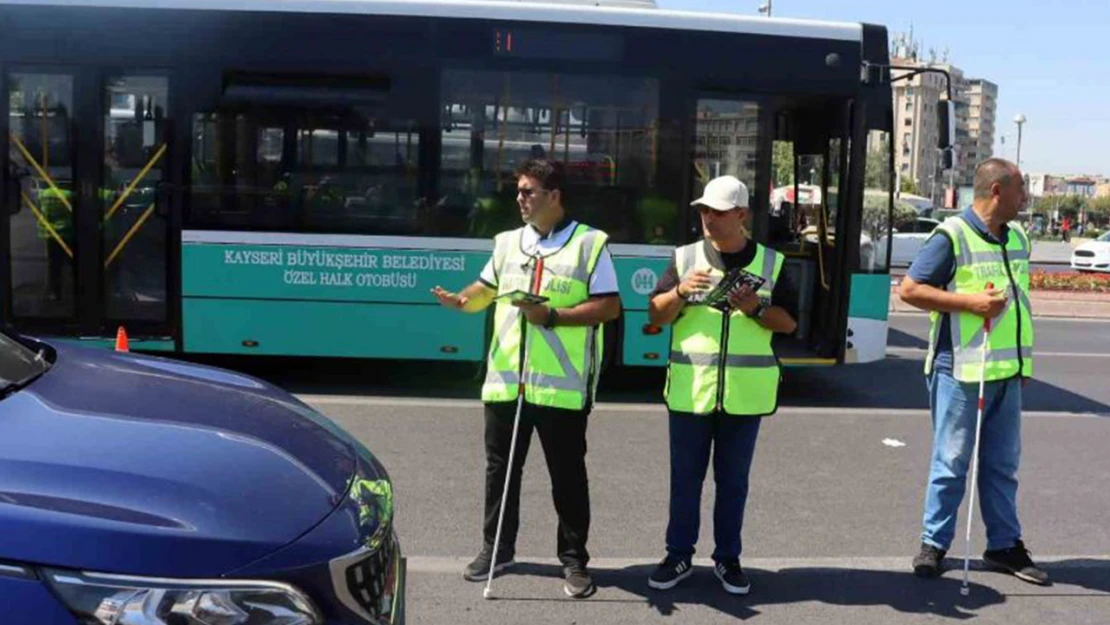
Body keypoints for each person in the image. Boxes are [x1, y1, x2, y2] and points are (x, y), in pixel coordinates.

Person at [431, 158, 621, 599]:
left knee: (567, 476)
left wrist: (551, 316)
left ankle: (574, 561)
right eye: (518, 190)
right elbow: (484, 290)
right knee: (501, 471)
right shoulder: (506, 243)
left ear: (554, 197)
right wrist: (461, 301)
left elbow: (609, 307)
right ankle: (496, 549)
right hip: (505, 381)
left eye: (528, 191)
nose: (519, 198)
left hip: (561, 386)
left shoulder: (589, 243)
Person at [645, 175, 797, 595]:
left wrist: (754, 308)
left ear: (742, 215)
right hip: (690, 391)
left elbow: (789, 323)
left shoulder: (771, 262)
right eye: (703, 210)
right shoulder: (686, 257)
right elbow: (655, 315)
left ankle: (728, 559)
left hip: (745, 396)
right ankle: (678, 555)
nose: (708, 218)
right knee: (685, 480)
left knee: (733, 483)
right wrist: (678, 291)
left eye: (718, 211)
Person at [899, 158, 1047, 585]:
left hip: (1006, 372)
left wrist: (1020, 364)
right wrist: (970, 304)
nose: (1025, 198)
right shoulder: (952, 235)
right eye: (1020, 189)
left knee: (1002, 465)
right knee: (951, 461)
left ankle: (1004, 545)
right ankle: (934, 544)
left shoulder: (1017, 236)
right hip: (959, 368)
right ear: (997, 191)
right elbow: (910, 289)